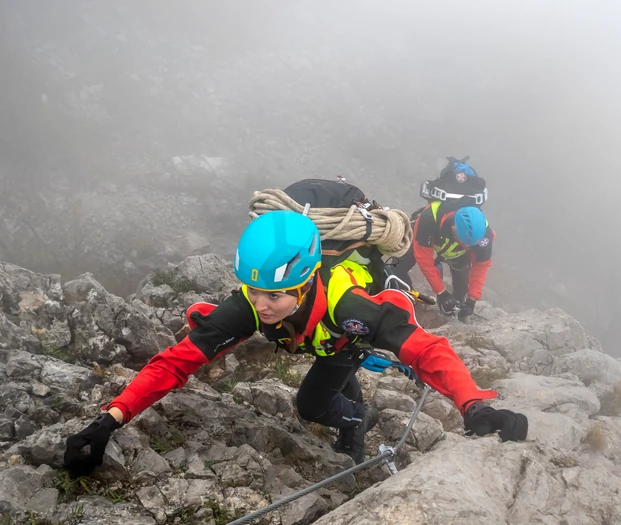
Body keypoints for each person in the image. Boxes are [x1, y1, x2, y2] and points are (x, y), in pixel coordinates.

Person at [63, 181, 527, 477]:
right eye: (253, 291)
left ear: (305, 282)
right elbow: (176, 362)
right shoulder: (251, 301)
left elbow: (426, 350)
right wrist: (108, 421)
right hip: (320, 335)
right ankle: (354, 413)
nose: (261, 307)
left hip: (341, 339)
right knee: (330, 375)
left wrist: (472, 405)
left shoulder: (351, 305)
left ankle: (357, 421)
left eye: (274, 296)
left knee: (310, 404)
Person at [390, 159, 495, 320]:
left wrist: (472, 300)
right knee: (396, 269)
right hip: (430, 237)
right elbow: (423, 258)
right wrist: (441, 292)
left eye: (470, 245)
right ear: (454, 229)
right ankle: (402, 301)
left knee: (461, 288)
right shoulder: (429, 218)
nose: (467, 247)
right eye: (464, 243)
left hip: (453, 250)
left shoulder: (484, 235)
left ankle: (455, 310)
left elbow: (481, 266)